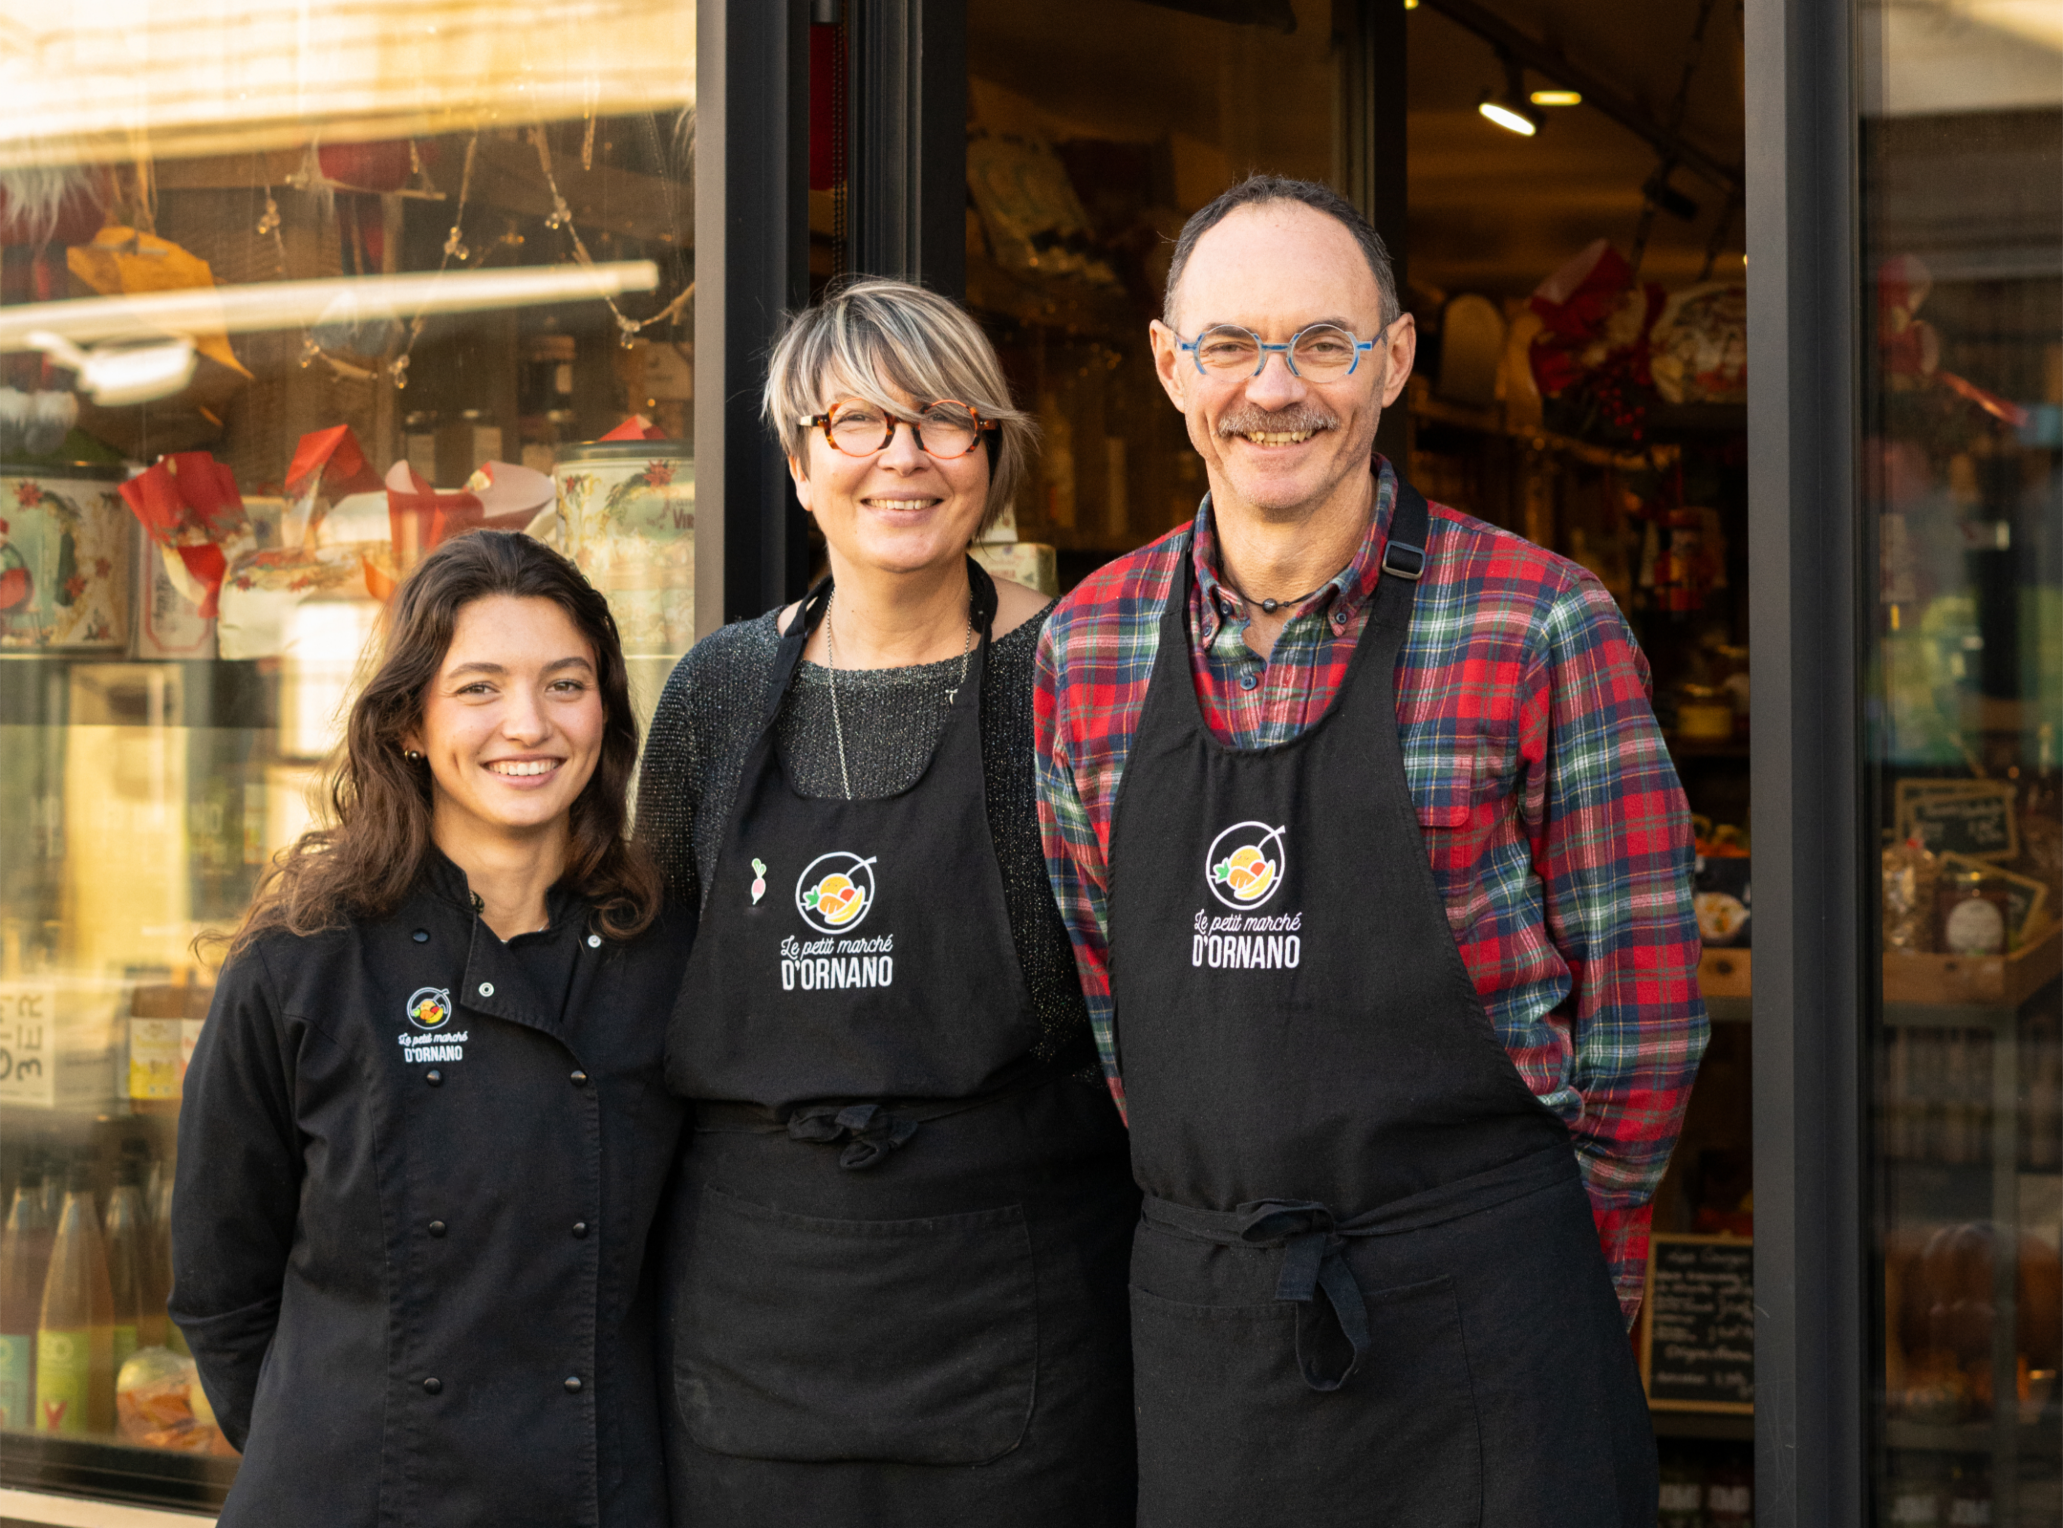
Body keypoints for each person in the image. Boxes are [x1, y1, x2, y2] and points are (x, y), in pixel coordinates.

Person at [1035, 174, 1707, 1524]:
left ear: (1391, 361)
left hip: (1491, 1326)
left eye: (1321, 343)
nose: (1272, 388)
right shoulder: (1083, 645)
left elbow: (1644, 1021)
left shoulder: (1540, 623)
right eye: (1229, 345)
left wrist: (1547, 1283)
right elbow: (1113, 1008)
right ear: (1170, 368)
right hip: (1213, 1333)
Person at [638, 277, 1137, 1524]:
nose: (901, 457)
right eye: (856, 422)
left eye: (943, 418)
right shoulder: (714, 694)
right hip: (753, 1307)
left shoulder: (1079, 674)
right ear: (799, 463)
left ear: (989, 452)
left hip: (1017, 1301)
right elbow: (648, 976)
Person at [172, 531, 691, 1528]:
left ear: (605, 711)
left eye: (565, 684)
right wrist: (335, 1444)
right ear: (409, 720)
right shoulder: (303, 960)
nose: (528, 725)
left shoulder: (667, 954)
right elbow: (218, 1290)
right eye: (479, 688)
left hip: (594, 1493)